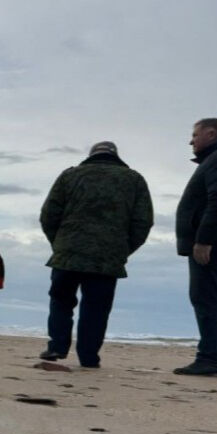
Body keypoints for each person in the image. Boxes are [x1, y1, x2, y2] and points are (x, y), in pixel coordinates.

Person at [38, 141, 154, 367]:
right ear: (116, 156)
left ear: (91, 155)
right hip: (107, 257)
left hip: (68, 252)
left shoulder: (69, 176)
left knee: (61, 301)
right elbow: (143, 222)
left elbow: (48, 215)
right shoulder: (134, 180)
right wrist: (123, 249)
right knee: (97, 309)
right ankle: (89, 356)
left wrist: (59, 244)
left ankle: (57, 347)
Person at [173, 118, 217, 375]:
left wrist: (204, 240)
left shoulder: (216, 160)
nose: (191, 141)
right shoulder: (211, 160)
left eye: (195, 135)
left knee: (206, 298)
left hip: (211, 245)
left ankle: (210, 358)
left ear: (211, 134)